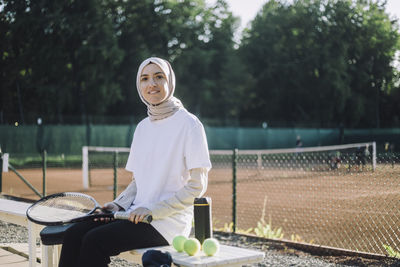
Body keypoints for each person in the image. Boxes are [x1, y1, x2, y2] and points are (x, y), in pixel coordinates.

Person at [58, 57, 212, 267]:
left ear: (170, 81)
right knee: (74, 234)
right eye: (145, 78)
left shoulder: (190, 125)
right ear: (139, 86)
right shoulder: (142, 128)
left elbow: (197, 186)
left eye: (159, 77)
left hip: (166, 223)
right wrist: (118, 204)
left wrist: (154, 211)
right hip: (134, 215)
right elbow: (139, 181)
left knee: (95, 241)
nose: (152, 84)